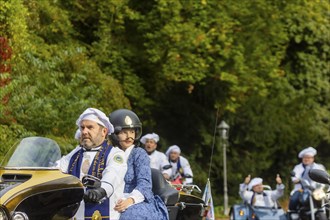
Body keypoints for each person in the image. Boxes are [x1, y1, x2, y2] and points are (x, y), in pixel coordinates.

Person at [58, 108, 127, 220]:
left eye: (90, 127)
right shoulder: (75, 153)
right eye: (82, 128)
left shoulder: (115, 154)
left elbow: (113, 174)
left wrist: (101, 191)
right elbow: (56, 169)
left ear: (104, 132)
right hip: (73, 215)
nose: (84, 131)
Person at [109, 109, 169, 220]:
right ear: (115, 134)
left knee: (128, 217)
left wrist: (129, 200)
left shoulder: (139, 154)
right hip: (112, 198)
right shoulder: (108, 153)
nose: (129, 136)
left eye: (132, 132)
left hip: (137, 200)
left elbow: (145, 184)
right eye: (124, 132)